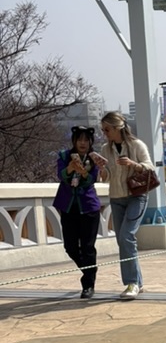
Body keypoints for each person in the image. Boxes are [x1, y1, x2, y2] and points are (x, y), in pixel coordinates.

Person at [99, 111, 154, 299]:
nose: (105, 133)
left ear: (117, 128)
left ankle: (131, 283)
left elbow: (150, 166)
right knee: (122, 240)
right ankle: (137, 282)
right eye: (103, 130)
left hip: (136, 196)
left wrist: (134, 164)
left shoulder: (136, 145)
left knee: (126, 236)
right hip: (116, 197)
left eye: (107, 129)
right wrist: (102, 169)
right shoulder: (105, 149)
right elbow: (106, 177)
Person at [53, 126, 103, 298]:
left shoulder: (95, 158)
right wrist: (70, 168)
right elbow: (61, 176)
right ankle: (91, 269)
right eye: (79, 140)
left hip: (88, 206)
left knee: (88, 247)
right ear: (74, 141)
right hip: (68, 206)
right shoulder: (63, 156)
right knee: (71, 247)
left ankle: (88, 284)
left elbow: (91, 179)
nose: (83, 143)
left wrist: (82, 171)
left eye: (86, 140)